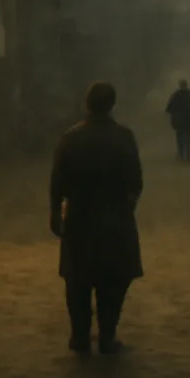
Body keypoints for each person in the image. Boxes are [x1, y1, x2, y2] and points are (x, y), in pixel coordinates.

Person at [49, 81, 143, 355]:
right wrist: (126, 207)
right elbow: (135, 181)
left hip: (80, 218)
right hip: (115, 219)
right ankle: (107, 335)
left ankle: (80, 335)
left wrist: (55, 213)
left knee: (78, 281)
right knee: (113, 281)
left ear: (87, 104)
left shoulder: (71, 138)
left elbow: (57, 182)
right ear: (112, 104)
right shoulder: (124, 137)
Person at [165, 79, 190, 162]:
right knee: (188, 137)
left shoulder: (176, 95)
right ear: (186, 85)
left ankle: (181, 155)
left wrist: (175, 114)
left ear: (180, 85)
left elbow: (169, 109)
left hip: (178, 120)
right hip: (189, 120)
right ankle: (188, 154)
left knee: (180, 137)